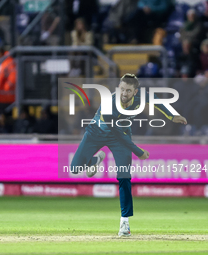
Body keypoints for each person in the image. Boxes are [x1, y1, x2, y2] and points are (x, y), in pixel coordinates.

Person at [70, 74, 187, 237]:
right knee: (74, 169)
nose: (124, 93)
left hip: (121, 134)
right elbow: (116, 132)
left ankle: (125, 222)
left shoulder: (141, 96)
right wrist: (138, 151)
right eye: (122, 89)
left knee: (124, 177)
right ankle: (95, 159)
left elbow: (156, 99)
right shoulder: (109, 103)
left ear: (135, 91)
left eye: (128, 90)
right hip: (98, 132)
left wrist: (172, 116)